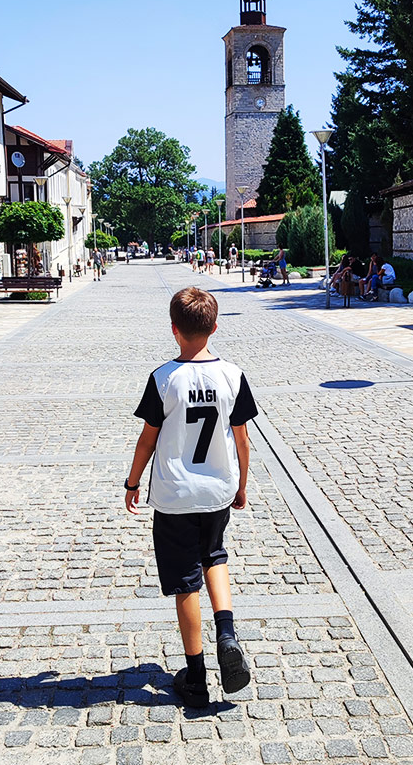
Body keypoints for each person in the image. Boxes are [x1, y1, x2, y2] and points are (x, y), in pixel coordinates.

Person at [126, 287, 258, 707]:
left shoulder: (164, 378)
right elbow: (243, 441)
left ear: (173, 331)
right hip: (217, 490)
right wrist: (240, 485)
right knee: (214, 555)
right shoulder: (232, 375)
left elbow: (147, 440)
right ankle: (227, 633)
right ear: (215, 328)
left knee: (186, 581)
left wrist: (132, 483)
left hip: (175, 495)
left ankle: (197, 676)